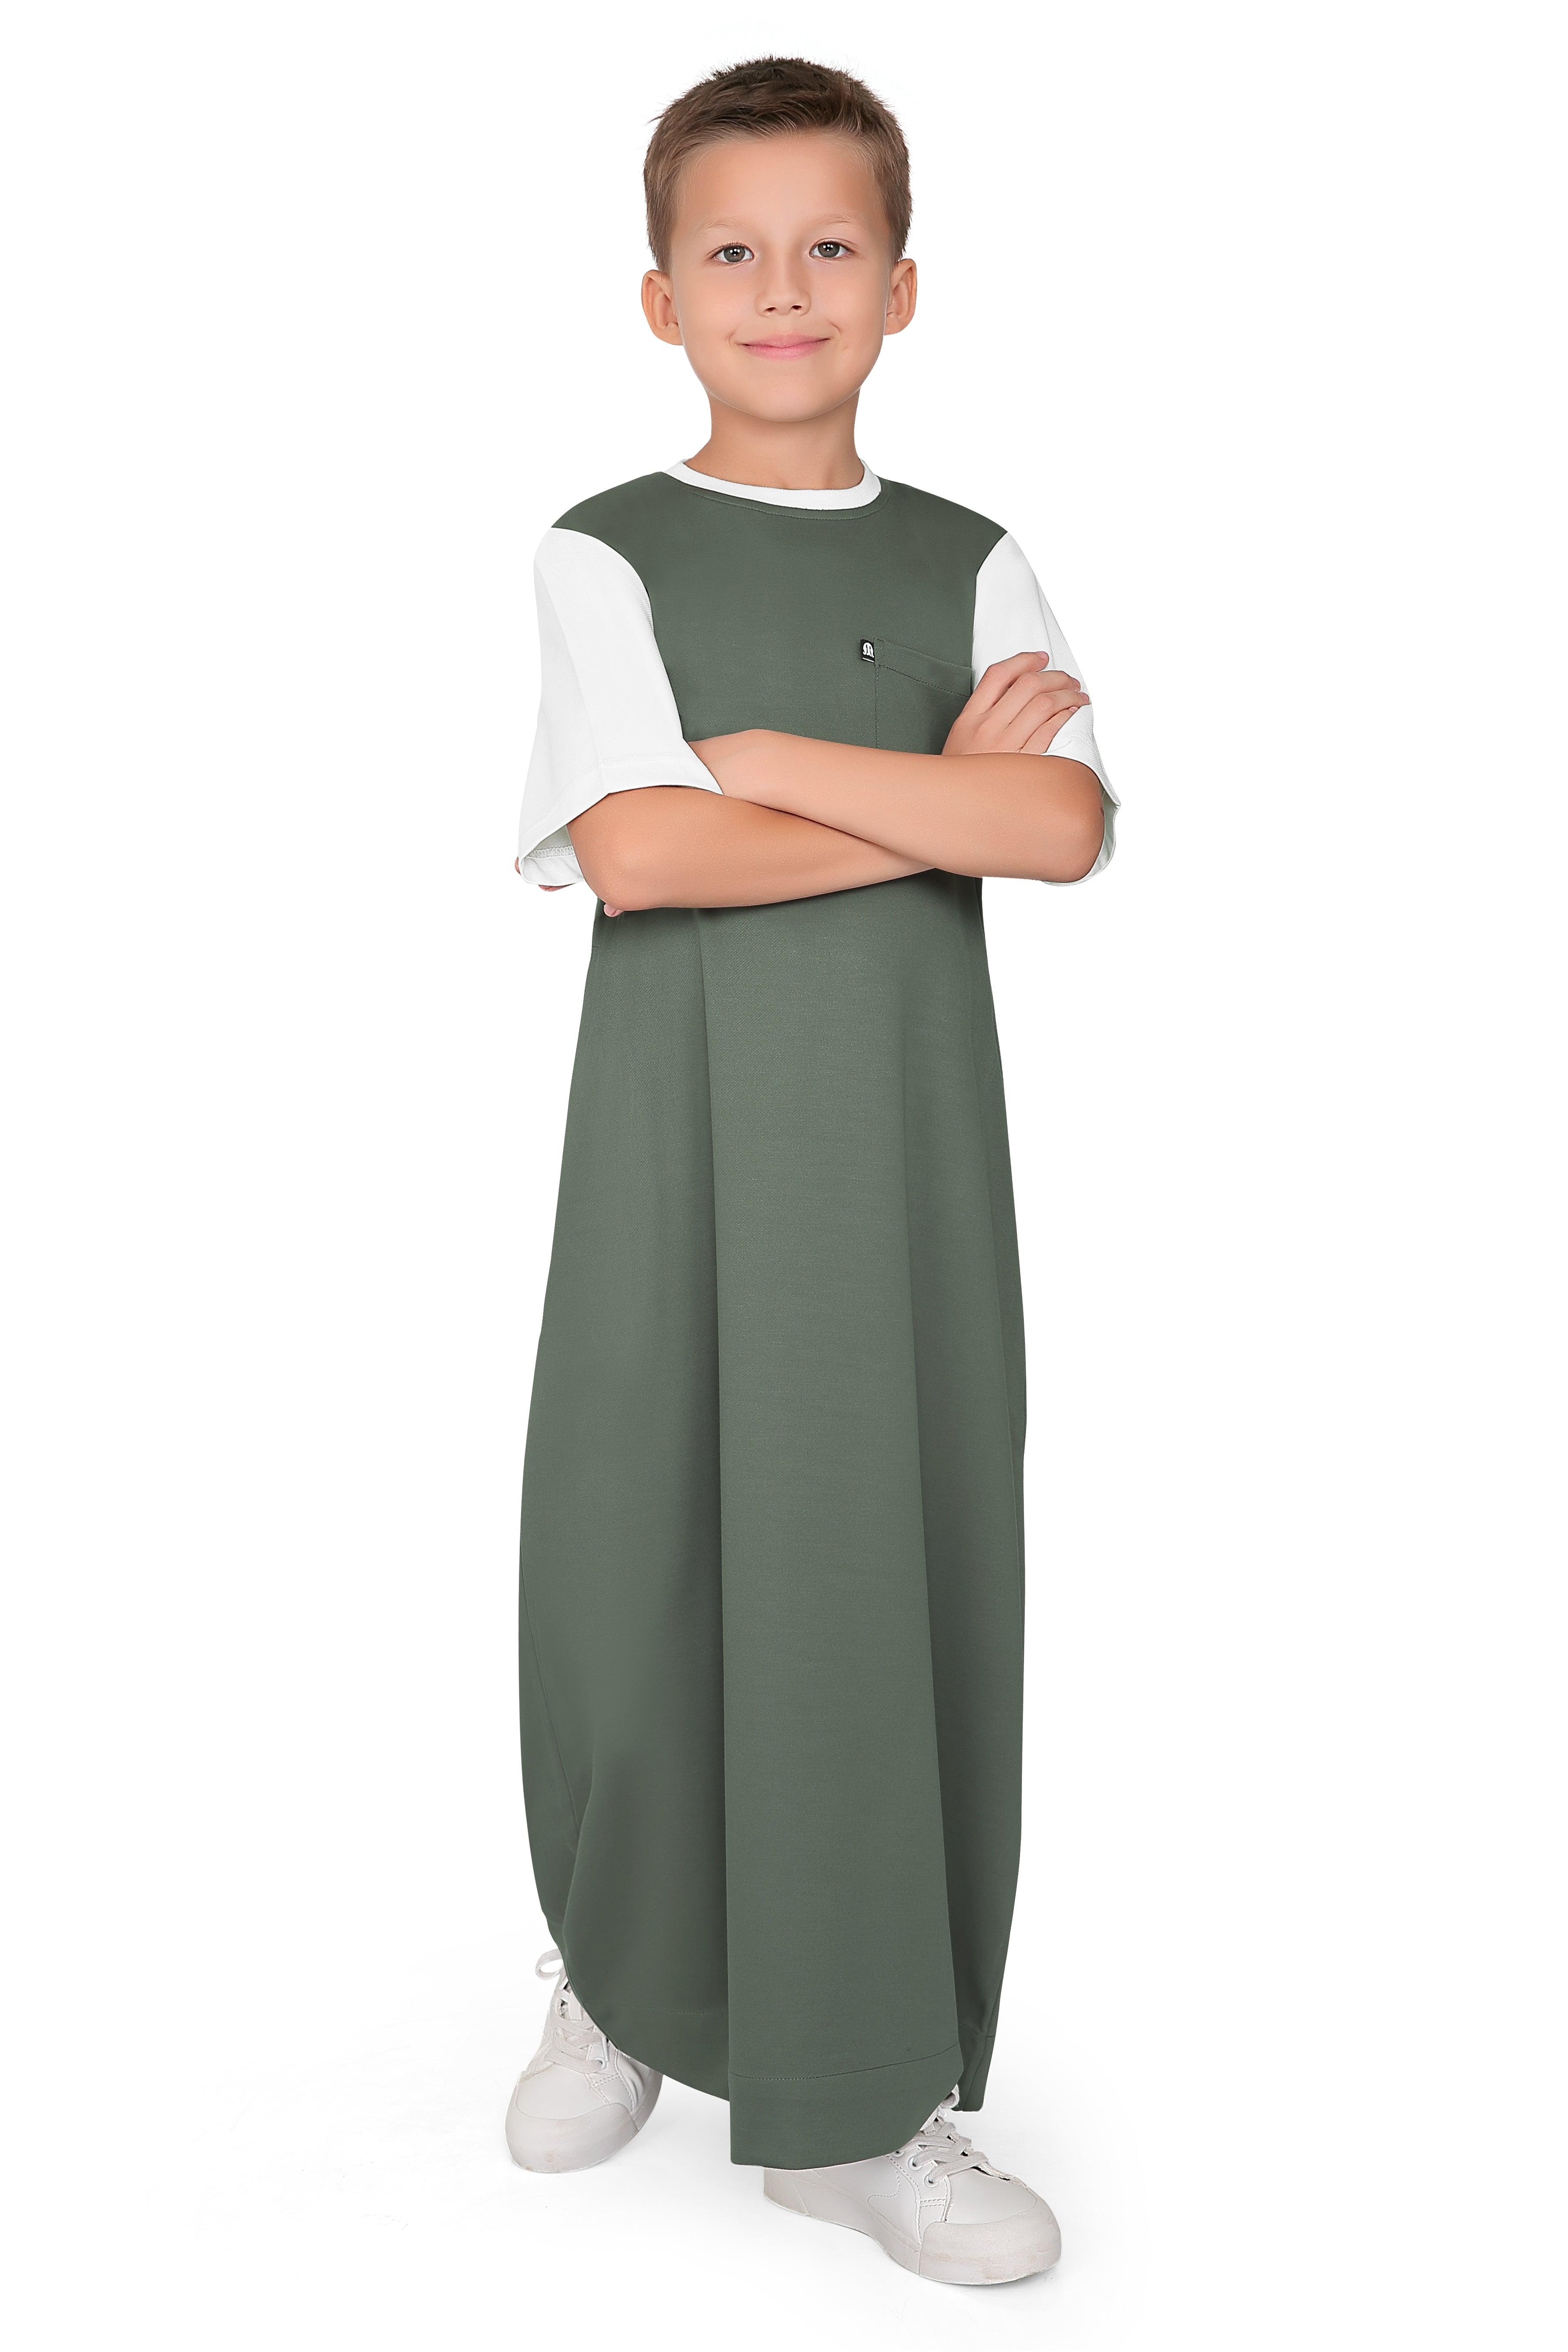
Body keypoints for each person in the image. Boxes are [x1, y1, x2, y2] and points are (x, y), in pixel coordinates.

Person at [505, 56, 1117, 2288]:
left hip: (901, 1158)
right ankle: (624, 1975)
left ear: (903, 285)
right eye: (735, 251)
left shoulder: (970, 557)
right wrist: (910, 791)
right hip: (671, 1148)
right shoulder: (610, 548)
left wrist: (760, 757)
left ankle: (864, 2106)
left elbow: (1061, 823)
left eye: (831, 245)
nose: (785, 288)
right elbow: (638, 858)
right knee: (639, 1544)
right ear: (661, 296)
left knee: (885, 1558)